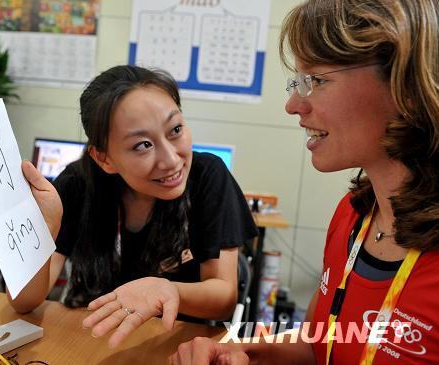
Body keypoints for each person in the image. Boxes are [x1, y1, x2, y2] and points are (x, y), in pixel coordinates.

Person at [170, 0, 439, 364]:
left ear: (404, 83)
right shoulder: (354, 214)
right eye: (297, 82)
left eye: (316, 80)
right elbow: (319, 343)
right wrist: (234, 350)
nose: (294, 104)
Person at [8, 65, 258, 347]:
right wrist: (44, 230)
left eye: (175, 129)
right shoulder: (78, 184)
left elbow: (224, 298)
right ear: (104, 159)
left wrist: (166, 291)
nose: (171, 160)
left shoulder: (208, 176)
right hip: (89, 341)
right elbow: (23, 303)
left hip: (173, 345)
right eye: (142, 145)